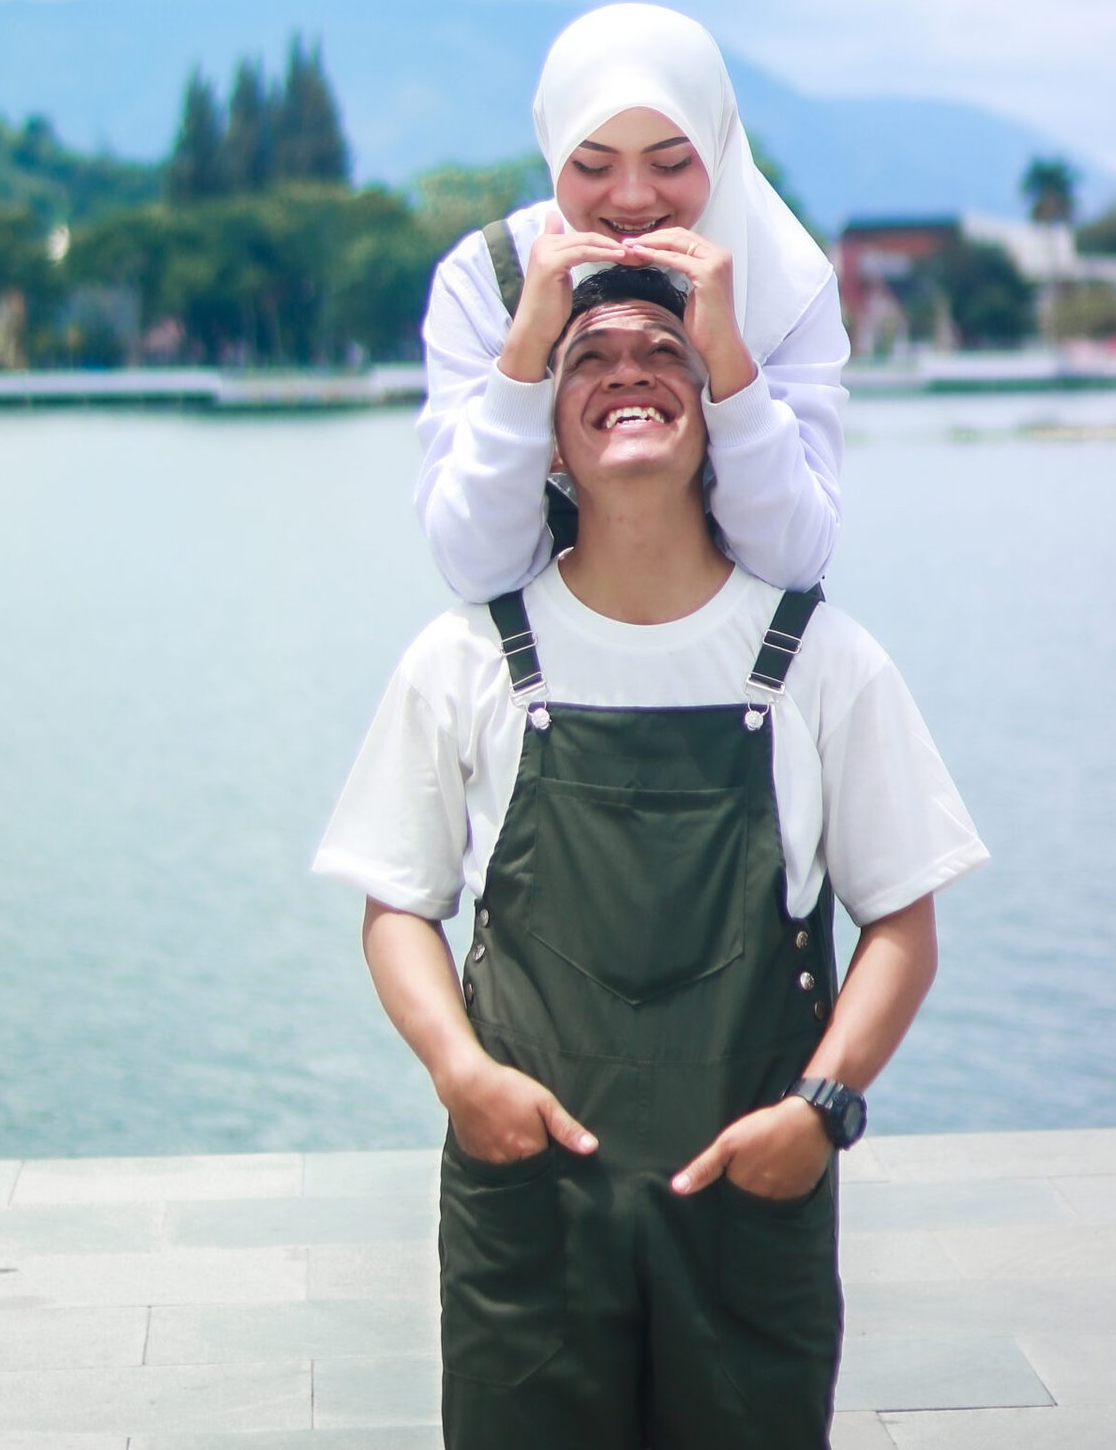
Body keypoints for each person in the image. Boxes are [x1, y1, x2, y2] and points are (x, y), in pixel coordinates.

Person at [317, 264, 987, 1449]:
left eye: (663, 353)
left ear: (716, 415)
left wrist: (820, 1111)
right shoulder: (469, 658)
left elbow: (901, 922)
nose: (627, 374)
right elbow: (397, 904)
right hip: (530, 1208)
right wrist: (462, 1077)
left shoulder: (815, 658)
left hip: (748, 1208)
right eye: (588, 357)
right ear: (547, 440)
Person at [415, 2, 850, 603]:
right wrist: (523, 356)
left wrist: (730, 365)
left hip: (747, 654)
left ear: (717, 145)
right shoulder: (491, 279)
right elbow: (475, 566)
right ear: (553, 150)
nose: (633, 196)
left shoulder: (787, 287)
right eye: (593, 165)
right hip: (544, 655)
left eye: (670, 163)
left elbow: (794, 562)